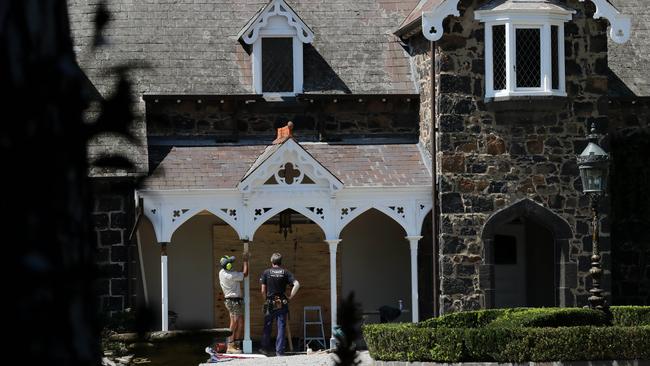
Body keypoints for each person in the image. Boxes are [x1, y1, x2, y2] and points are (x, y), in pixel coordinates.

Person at [260, 252, 300, 356]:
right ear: (280, 261)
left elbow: (263, 290)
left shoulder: (266, 272)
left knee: (267, 325)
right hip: (282, 302)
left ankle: (264, 349)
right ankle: (280, 352)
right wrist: (290, 296)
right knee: (281, 326)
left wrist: (265, 300)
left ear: (271, 261)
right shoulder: (285, 272)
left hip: (269, 302)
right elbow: (297, 284)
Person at [218, 251, 249, 353]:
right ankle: (230, 345)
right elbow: (245, 274)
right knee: (234, 322)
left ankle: (236, 343)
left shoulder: (222, 272)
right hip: (233, 301)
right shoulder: (230, 275)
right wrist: (245, 261)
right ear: (228, 265)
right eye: (230, 262)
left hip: (234, 301)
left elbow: (239, 274)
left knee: (240, 322)